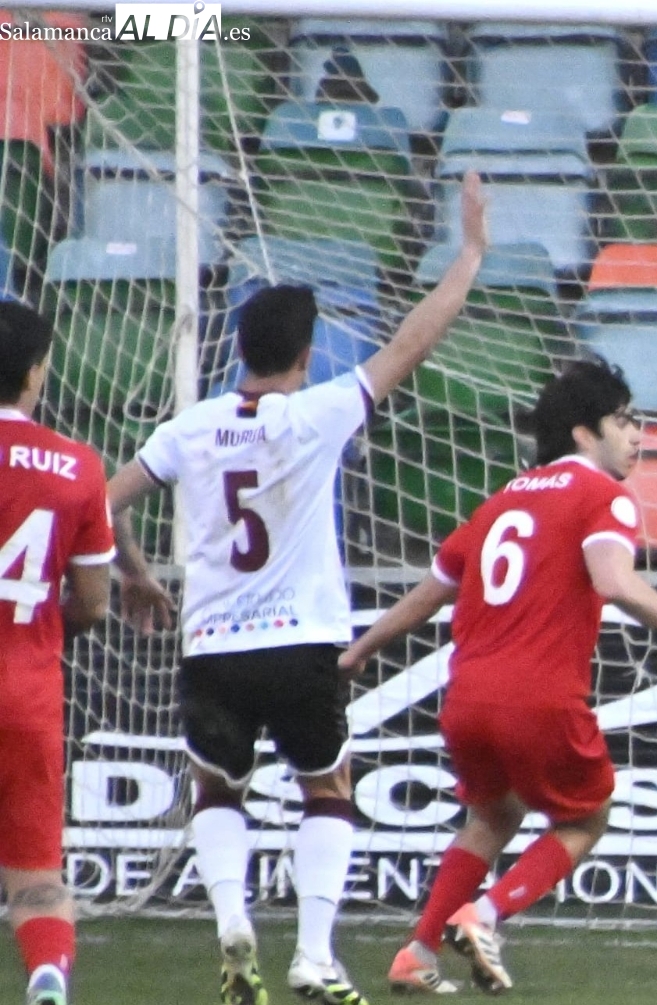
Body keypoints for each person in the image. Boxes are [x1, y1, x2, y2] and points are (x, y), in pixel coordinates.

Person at [107, 174, 489, 1005]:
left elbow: (104, 500)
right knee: (328, 787)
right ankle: (313, 953)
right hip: (305, 640)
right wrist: (468, 255)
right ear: (307, 353)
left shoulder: (190, 427)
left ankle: (231, 925)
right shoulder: (319, 412)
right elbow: (412, 343)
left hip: (213, 644)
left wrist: (134, 572)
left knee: (216, 788)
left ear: (237, 348)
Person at [337, 360, 657, 995]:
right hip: (537, 698)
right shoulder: (603, 495)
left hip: (465, 701)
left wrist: (361, 650)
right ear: (583, 434)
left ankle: (417, 950)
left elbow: (429, 595)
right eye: (623, 421)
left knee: (491, 817)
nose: (638, 436)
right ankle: (481, 916)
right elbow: (614, 582)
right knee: (586, 820)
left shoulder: (499, 503)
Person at [0, 302, 115, 1005]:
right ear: (36, 372)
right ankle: (47, 978)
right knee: (38, 874)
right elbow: (95, 604)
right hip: (28, 690)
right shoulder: (77, 466)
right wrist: (40, 628)